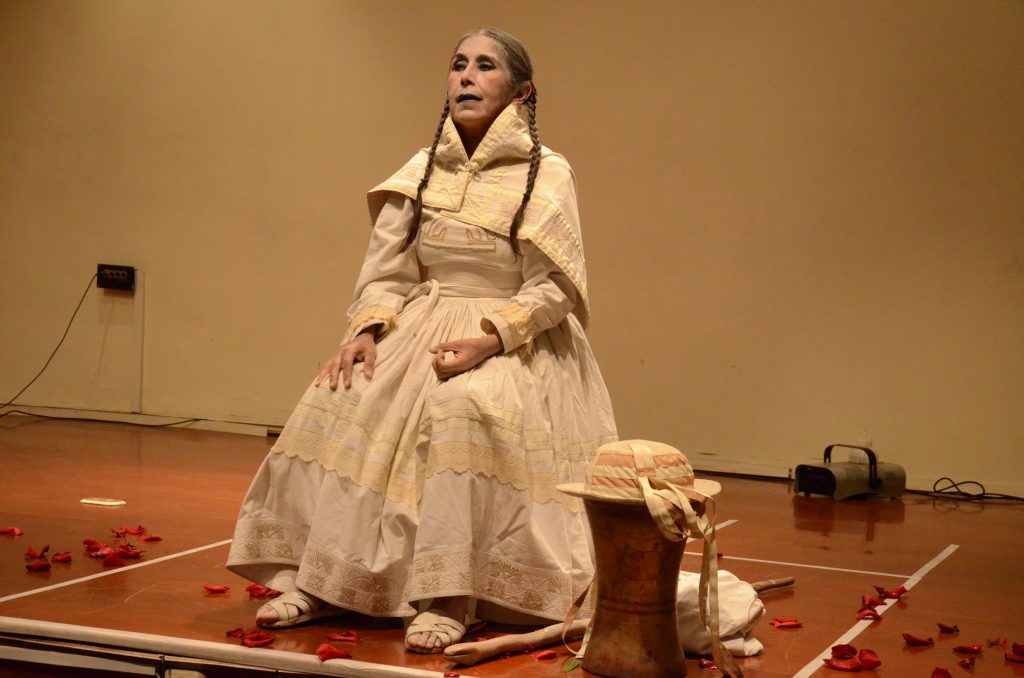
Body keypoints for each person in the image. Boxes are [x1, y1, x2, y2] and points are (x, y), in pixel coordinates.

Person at [226, 27, 617, 654]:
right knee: (344, 393)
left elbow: (555, 289)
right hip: (423, 321)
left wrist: (489, 339)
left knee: (463, 411)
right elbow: (389, 272)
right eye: (458, 64)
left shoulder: (547, 174)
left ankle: (451, 595)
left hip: (513, 335)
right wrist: (368, 328)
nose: (465, 76)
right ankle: (323, 579)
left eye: (484, 66)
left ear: (521, 92)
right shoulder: (422, 169)